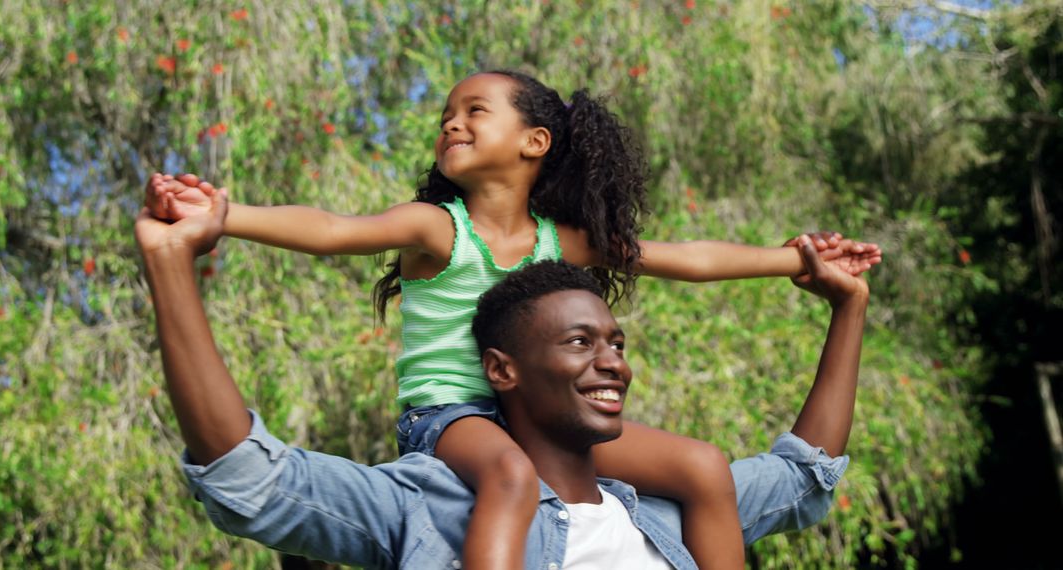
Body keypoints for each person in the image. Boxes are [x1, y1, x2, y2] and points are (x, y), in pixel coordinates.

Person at [145, 69, 880, 569]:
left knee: (701, 465)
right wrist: (226, 215)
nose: (451, 124)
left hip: (531, 419)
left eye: (474, 112)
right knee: (509, 474)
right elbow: (333, 228)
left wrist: (797, 263)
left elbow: (687, 258)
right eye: (446, 118)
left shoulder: (565, 241)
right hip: (451, 416)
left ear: (535, 143)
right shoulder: (438, 228)